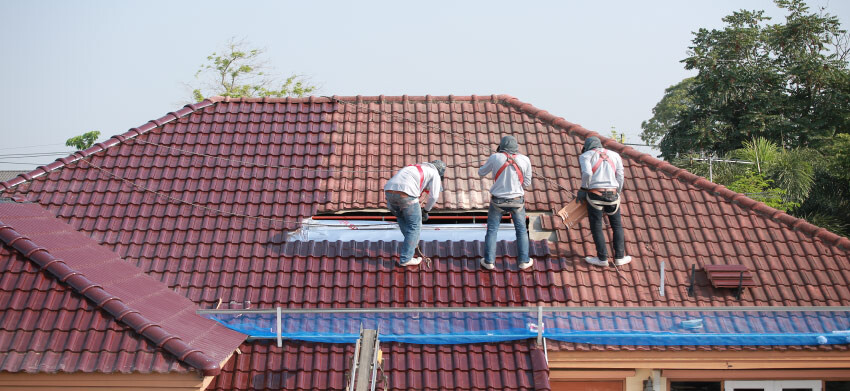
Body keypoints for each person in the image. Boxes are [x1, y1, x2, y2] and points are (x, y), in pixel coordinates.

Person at [478, 136, 534, 271]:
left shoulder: (495, 157)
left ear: (501, 146)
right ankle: (523, 261)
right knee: (521, 231)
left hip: (498, 200)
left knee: (492, 230)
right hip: (517, 201)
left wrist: (493, 161)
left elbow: (481, 172)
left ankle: (489, 261)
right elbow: (527, 183)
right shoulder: (525, 160)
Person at [577, 136, 631, 267]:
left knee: (596, 226)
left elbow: (587, 174)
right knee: (616, 226)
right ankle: (619, 257)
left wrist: (583, 189)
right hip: (612, 195)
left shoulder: (585, 156)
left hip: (595, 195)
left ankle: (602, 258)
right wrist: (618, 191)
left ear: (587, 147)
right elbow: (620, 175)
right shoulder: (615, 155)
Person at [384, 160, 446, 267]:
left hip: (389, 191)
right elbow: (434, 196)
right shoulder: (434, 172)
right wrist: (426, 211)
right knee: (415, 226)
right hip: (406, 193)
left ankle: (412, 243)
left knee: (402, 218)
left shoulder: (415, 167)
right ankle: (406, 258)